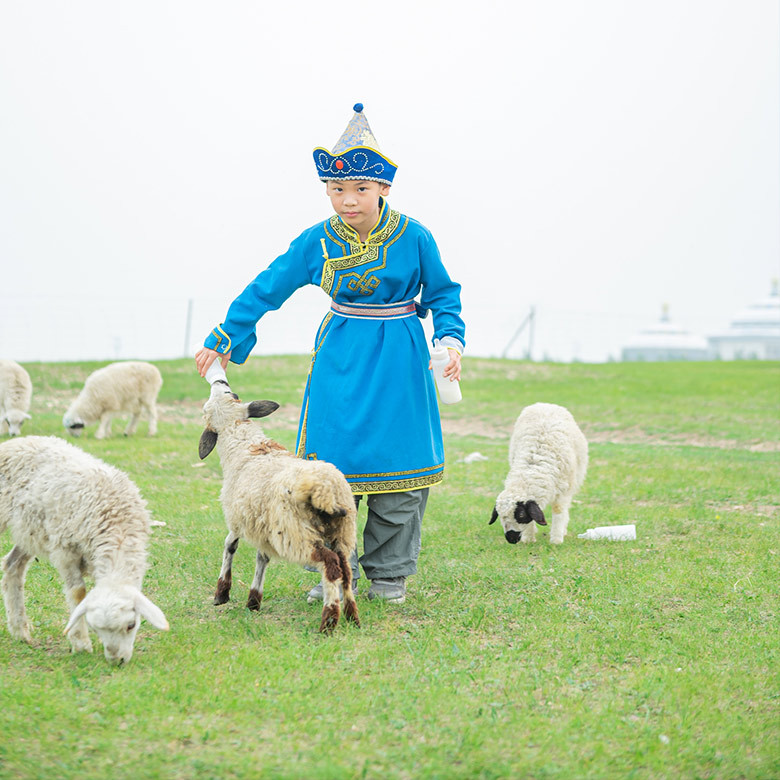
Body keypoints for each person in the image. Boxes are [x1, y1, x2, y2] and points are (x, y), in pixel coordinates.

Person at [195, 103, 465, 605]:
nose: (348, 199)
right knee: (328, 468)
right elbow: (269, 285)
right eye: (337, 189)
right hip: (341, 358)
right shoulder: (316, 240)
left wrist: (449, 341)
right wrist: (226, 335)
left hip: (401, 360)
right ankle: (333, 569)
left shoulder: (415, 236)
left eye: (360, 188)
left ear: (383, 188)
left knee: (401, 468)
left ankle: (389, 575)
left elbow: (444, 295)